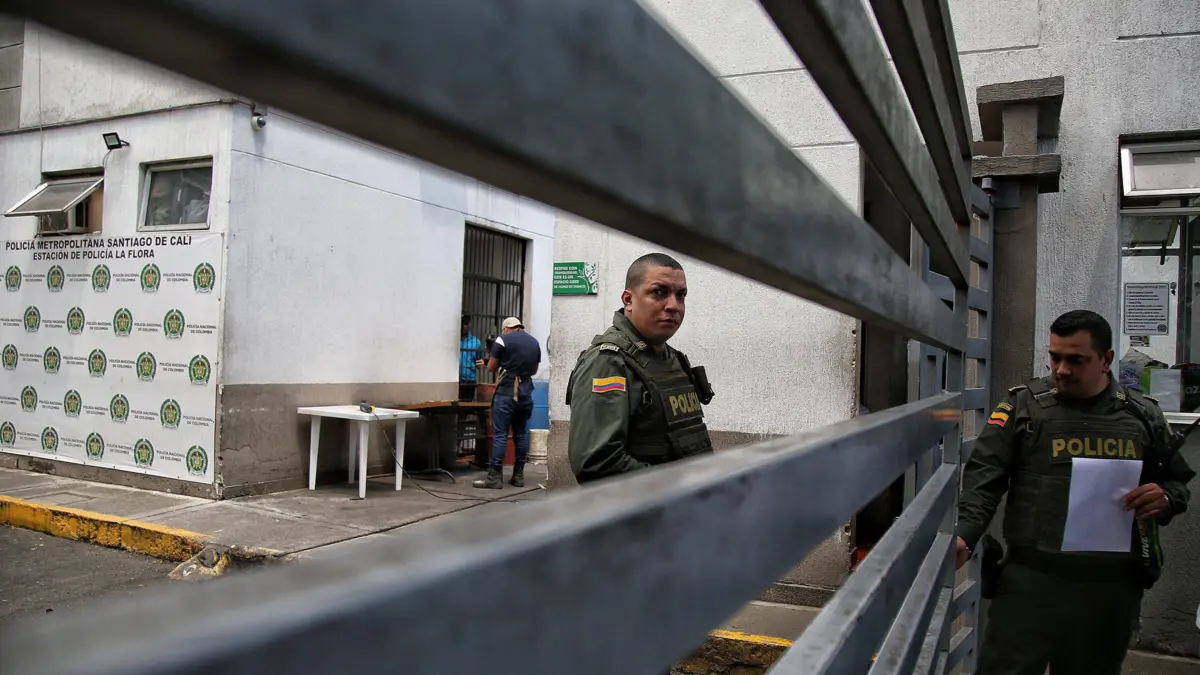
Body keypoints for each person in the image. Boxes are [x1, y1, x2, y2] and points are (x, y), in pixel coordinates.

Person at [955, 310, 1195, 675]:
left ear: (1106, 359)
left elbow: (1177, 482)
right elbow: (984, 478)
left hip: (1108, 588)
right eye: (1055, 357)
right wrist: (965, 533)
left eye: (1076, 360)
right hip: (1032, 581)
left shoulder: (1142, 415)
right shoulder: (1023, 407)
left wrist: (1164, 498)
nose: (1062, 370)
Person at [565, 253, 715, 485]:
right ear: (628, 300)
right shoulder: (607, 362)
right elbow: (597, 462)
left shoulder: (673, 358)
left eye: (681, 295)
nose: (674, 305)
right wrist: (678, 487)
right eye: (659, 292)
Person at [473, 317, 541, 489]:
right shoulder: (534, 342)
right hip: (525, 391)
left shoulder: (502, 340)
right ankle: (518, 476)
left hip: (507, 391)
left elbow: (491, 367)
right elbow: (534, 370)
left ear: (506, 328)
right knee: (521, 434)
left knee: (501, 434)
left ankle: (494, 478)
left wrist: (501, 363)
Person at [459, 315, 482, 401]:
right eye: (461, 323)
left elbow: (479, 360)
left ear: (469, 325)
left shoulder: (476, 342)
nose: (463, 326)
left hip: (469, 380)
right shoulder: (453, 340)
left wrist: (481, 363)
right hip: (455, 379)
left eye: (465, 323)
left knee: (467, 404)